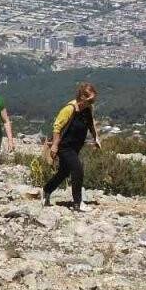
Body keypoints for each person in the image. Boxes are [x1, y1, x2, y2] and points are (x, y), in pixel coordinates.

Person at [43, 82, 102, 211]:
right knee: (78, 170)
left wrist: (96, 138)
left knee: (64, 172)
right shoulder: (69, 109)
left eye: (93, 99)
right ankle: (77, 203)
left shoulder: (88, 109)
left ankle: (47, 190)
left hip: (76, 146)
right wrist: (54, 146)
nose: (92, 102)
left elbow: (91, 123)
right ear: (82, 97)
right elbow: (57, 128)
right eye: (90, 99)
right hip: (65, 146)